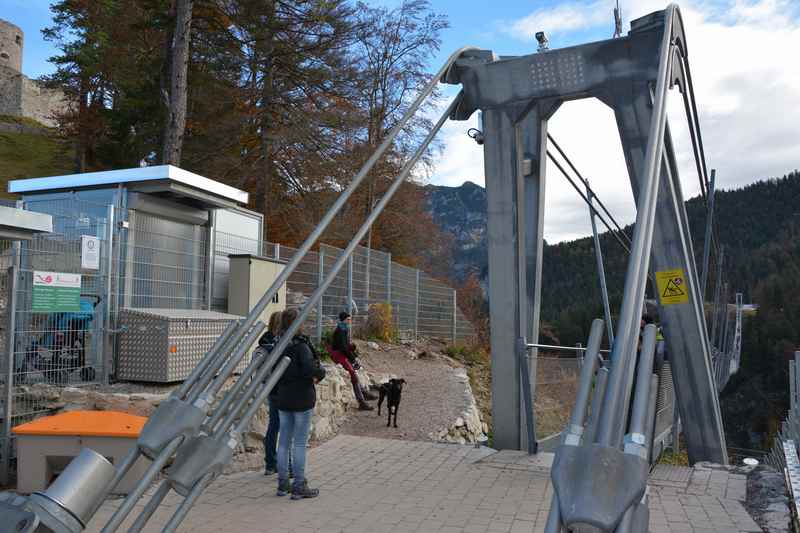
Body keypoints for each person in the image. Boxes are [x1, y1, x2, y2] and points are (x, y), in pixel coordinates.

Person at [273, 308, 326, 499]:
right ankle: (298, 484)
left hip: (283, 397)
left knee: (284, 442)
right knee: (299, 443)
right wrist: (320, 374)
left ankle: (282, 484)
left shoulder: (279, 343)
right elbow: (311, 369)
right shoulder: (301, 346)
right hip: (302, 397)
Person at [261, 311, 291, 477]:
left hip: (271, 388)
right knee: (286, 428)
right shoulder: (284, 341)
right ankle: (284, 465)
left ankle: (270, 464)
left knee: (273, 426)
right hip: (284, 389)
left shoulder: (265, 341)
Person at [330, 311, 376, 410]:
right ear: (343, 320)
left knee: (354, 372)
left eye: (350, 319)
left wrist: (352, 349)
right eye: (348, 319)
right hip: (338, 355)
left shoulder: (343, 328)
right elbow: (342, 348)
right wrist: (353, 358)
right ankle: (361, 401)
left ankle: (363, 393)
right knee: (352, 372)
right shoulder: (341, 330)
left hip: (341, 353)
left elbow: (345, 346)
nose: (350, 320)